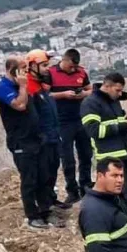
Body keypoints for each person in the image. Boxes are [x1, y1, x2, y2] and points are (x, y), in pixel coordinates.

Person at [0, 57, 54, 229]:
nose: (26, 72)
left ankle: (45, 211)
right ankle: (32, 216)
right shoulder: (3, 87)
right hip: (21, 141)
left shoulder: (24, 85)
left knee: (44, 175)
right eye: (22, 68)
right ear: (13, 70)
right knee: (29, 179)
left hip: (36, 137)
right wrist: (22, 86)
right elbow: (19, 105)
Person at [80, 72, 127, 202]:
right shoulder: (90, 103)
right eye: (117, 90)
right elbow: (94, 131)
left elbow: (119, 125)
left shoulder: (114, 102)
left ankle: (126, 220)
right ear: (107, 86)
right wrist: (123, 126)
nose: (120, 94)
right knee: (114, 198)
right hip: (109, 159)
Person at [25, 49, 69, 218]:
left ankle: (50, 199)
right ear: (32, 66)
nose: (47, 69)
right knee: (42, 174)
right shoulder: (29, 88)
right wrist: (41, 137)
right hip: (43, 139)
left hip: (53, 136)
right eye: (43, 65)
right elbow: (32, 118)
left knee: (52, 170)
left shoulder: (41, 86)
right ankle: (44, 209)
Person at [49, 48, 93, 204]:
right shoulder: (51, 73)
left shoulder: (81, 72)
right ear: (64, 60)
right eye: (71, 67)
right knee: (67, 158)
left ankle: (86, 186)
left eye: (75, 67)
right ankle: (72, 190)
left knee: (86, 154)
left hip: (81, 119)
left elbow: (90, 90)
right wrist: (63, 95)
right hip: (62, 122)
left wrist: (82, 94)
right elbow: (45, 95)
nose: (73, 69)